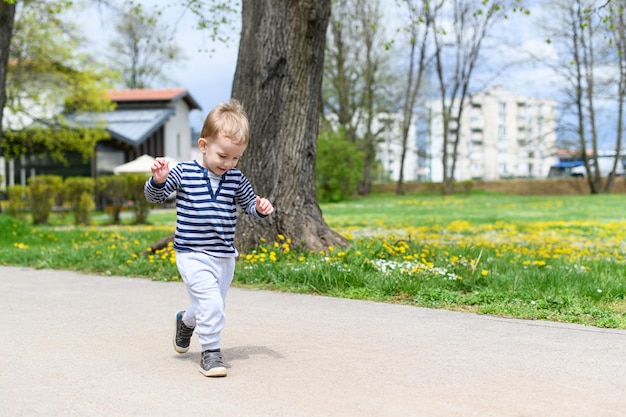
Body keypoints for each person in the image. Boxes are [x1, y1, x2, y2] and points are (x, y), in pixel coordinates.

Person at [144, 98, 274, 377]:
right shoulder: (184, 172)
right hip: (192, 253)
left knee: (210, 305)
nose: (228, 163)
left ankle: (186, 321)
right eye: (222, 156)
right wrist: (157, 180)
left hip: (224, 255)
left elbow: (249, 204)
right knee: (212, 304)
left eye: (235, 157)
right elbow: (155, 197)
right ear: (204, 146)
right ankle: (211, 353)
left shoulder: (236, 179)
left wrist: (260, 208)